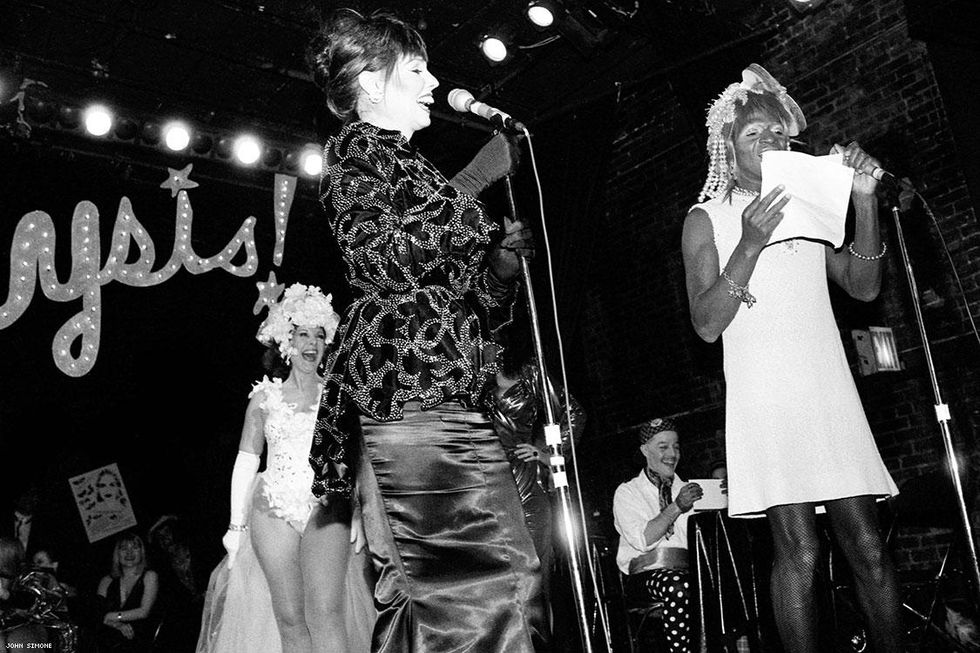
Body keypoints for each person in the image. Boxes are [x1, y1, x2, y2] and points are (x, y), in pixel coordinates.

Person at [306, 9, 546, 651]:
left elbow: (461, 303)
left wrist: (496, 267)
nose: (435, 83)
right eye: (417, 69)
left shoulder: (410, 170)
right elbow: (381, 260)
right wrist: (474, 181)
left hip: (441, 393)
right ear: (370, 84)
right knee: (478, 588)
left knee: (478, 588)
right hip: (410, 398)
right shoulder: (352, 161)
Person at [681, 64, 902, 652]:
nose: (772, 145)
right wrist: (750, 245)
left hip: (827, 388)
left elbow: (862, 285)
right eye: (756, 137)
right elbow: (705, 325)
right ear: (727, 149)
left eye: (779, 135)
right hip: (766, 398)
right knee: (799, 551)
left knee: (868, 547)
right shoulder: (707, 219)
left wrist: (863, 201)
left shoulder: (807, 206)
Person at [197, 283, 374, 653]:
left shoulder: (338, 397)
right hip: (272, 506)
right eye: (302, 334)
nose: (312, 343)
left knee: (325, 611)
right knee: (291, 617)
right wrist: (235, 526)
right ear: (286, 341)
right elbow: (246, 460)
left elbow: (355, 459)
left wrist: (359, 510)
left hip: (325, 505)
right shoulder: (265, 398)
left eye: (319, 335)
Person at [613, 417, 703, 653]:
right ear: (645, 450)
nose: (672, 454)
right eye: (663, 447)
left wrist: (726, 503)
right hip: (646, 576)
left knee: (728, 582)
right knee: (677, 585)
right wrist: (677, 507)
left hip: (691, 571)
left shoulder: (691, 490)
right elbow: (644, 540)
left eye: (676, 446)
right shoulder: (628, 492)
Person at [95, 531, 159, 653]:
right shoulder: (107, 580)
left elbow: (143, 612)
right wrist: (116, 624)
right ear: (117, 554)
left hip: (139, 637)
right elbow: (98, 614)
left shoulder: (150, 576)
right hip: (109, 637)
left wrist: (113, 617)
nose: (129, 552)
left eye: (134, 548)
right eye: (124, 548)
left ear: (141, 552)